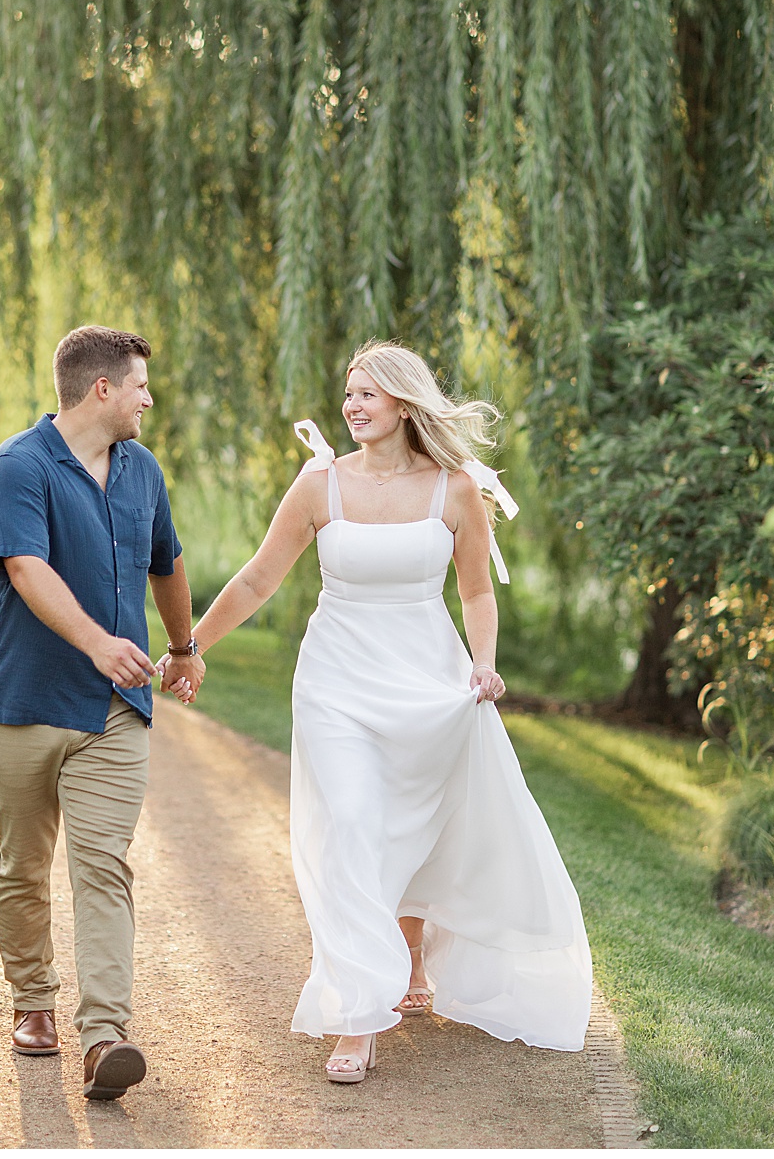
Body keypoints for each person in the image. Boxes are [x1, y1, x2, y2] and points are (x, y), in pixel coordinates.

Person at [187, 340, 592, 1083]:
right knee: (354, 823)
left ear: (404, 404)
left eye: (368, 393)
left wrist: (484, 660)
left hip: (427, 678)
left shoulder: (456, 490)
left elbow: (476, 590)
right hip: (336, 681)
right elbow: (257, 579)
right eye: (349, 393)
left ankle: (410, 957)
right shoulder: (319, 484)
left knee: (417, 821)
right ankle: (358, 1012)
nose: (353, 405)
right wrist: (191, 644)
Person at [0, 325, 204, 1102]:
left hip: (114, 712)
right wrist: (101, 642)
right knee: (23, 865)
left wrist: (182, 646)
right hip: (22, 704)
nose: (148, 397)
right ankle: (32, 1003)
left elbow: (166, 561)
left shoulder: (143, 472)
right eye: (140, 384)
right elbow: (24, 568)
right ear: (101, 388)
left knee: (103, 866)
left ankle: (105, 1038)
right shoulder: (19, 466)